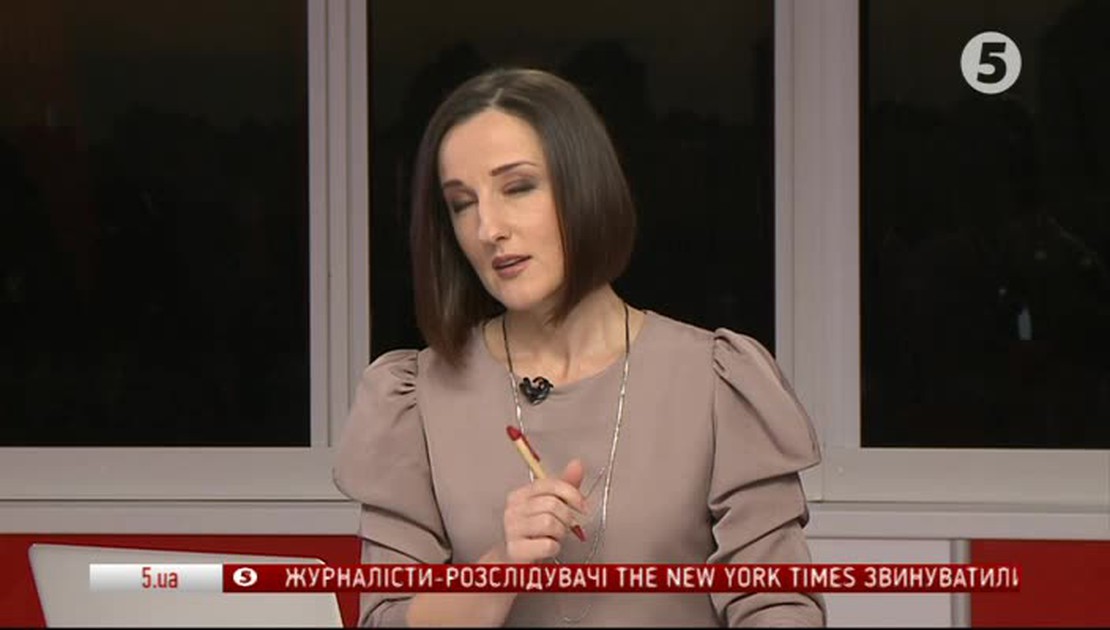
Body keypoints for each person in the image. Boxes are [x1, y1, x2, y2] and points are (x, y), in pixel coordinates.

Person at [334, 67, 825, 627]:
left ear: (586, 187)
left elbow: (777, 606)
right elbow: (385, 618)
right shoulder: (413, 399)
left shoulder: (715, 381)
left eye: (517, 187)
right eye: (462, 203)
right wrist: (500, 569)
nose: (488, 228)